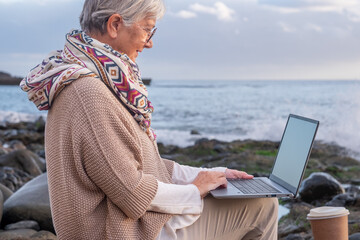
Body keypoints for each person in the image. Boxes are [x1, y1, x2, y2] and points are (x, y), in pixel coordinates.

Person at [20, 0, 278, 239]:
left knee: (248, 200)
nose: (149, 42)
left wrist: (211, 175)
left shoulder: (96, 80)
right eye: (147, 30)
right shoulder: (89, 93)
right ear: (115, 25)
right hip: (119, 232)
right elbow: (133, 193)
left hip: (125, 222)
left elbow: (143, 166)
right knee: (263, 206)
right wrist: (196, 189)